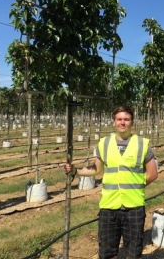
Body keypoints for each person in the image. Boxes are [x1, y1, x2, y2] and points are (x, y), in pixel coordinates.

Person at [63, 105, 158, 259]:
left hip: (134, 207)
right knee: (107, 252)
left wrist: (135, 186)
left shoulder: (142, 144)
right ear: (114, 122)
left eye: (126, 119)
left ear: (132, 122)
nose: (122, 122)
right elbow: (96, 168)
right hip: (109, 206)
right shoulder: (104, 143)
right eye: (119, 119)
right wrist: (76, 171)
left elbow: (153, 174)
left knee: (133, 253)